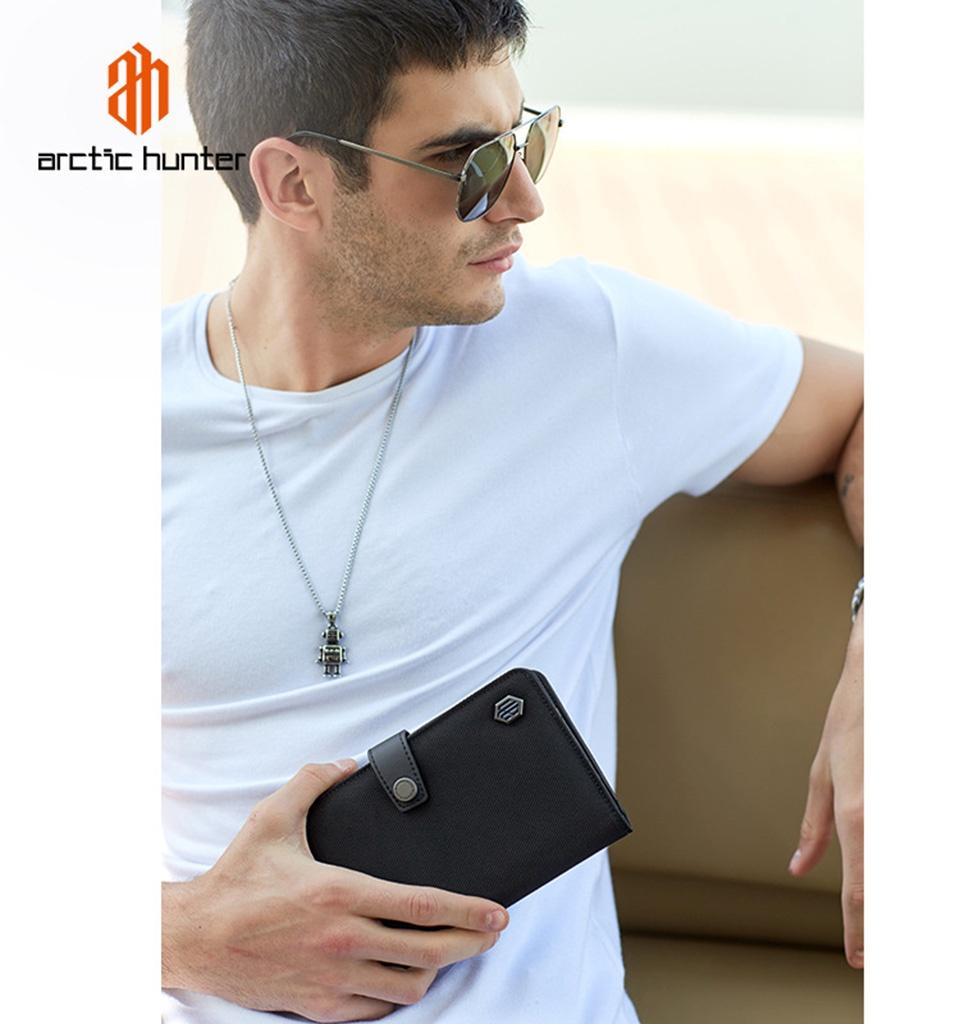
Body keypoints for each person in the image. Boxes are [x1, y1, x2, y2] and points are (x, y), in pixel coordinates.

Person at [161, 1, 865, 1021]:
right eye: (467, 162)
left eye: (526, 138)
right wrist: (184, 937)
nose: (526, 200)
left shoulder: (589, 349)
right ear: (295, 183)